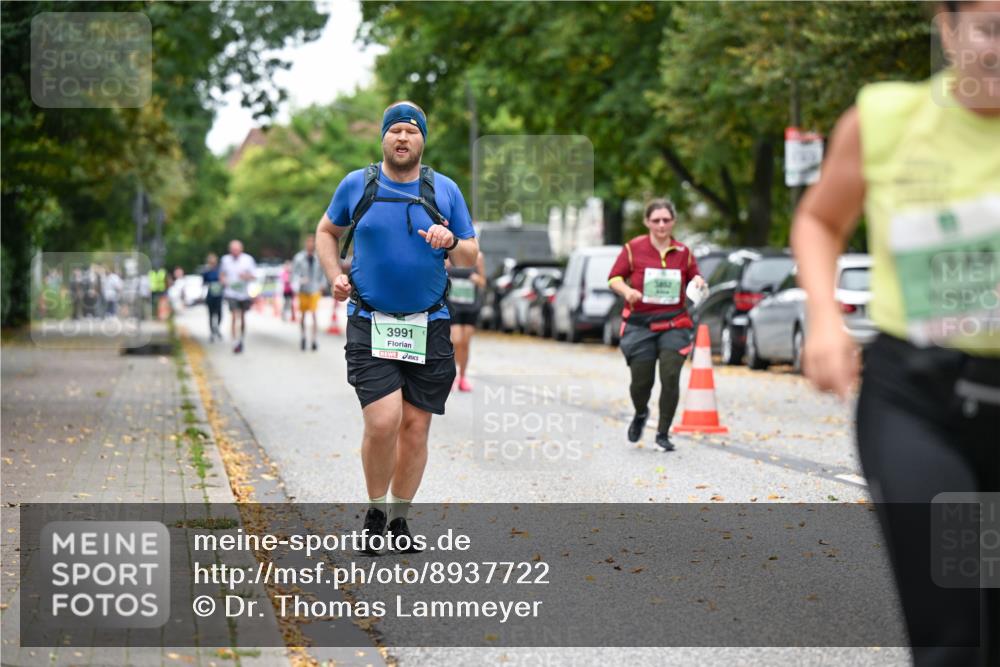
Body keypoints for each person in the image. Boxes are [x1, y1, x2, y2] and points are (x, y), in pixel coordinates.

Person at [791, 4, 999, 664]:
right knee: (954, 624)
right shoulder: (887, 121)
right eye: (992, 29)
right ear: (948, 28)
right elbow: (821, 220)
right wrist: (826, 319)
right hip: (919, 402)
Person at [316, 100, 478, 553]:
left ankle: (400, 518)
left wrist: (451, 241)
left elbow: (470, 254)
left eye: (411, 131)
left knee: (415, 427)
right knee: (384, 420)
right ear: (383, 138)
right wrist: (334, 275)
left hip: (431, 323)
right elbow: (326, 232)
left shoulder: (443, 190)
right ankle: (374, 509)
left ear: (423, 140)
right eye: (395, 131)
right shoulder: (357, 185)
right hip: (370, 320)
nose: (402, 138)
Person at [607, 199, 706, 451]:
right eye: (656, 220)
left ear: (673, 222)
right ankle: (641, 412)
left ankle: (663, 433)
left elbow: (694, 276)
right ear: (647, 222)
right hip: (639, 324)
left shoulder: (683, 252)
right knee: (641, 382)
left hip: (674, 323)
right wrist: (628, 291)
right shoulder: (633, 248)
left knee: (670, 375)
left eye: (666, 220)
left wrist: (699, 282)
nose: (661, 225)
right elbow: (614, 278)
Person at [445, 251, 486, 391]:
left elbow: (483, 282)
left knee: (465, 343)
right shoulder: (450, 255)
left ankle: (462, 377)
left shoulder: (478, 257)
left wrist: (477, 279)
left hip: (470, 307)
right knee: (456, 340)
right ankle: (453, 375)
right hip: (454, 306)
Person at [220, 240, 257, 354]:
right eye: (233, 249)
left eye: (237, 249)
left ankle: (241, 338)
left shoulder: (248, 260)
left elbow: (254, 276)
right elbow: (222, 274)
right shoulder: (225, 260)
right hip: (231, 293)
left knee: (242, 318)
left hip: (244, 293)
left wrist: (246, 276)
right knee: (234, 316)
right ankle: (234, 341)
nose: (235, 252)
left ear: (241, 249)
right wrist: (223, 281)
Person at [292, 233, 327, 351]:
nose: (311, 244)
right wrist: (299, 281)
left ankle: (313, 339)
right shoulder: (299, 258)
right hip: (303, 289)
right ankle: (303, 337)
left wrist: (322, 285)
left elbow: (323, 273)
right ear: (306, 244)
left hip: (315, 289)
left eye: (313, 242)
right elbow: (294, 274)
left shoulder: (319, 258)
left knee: (314, 314)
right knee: (302, 315)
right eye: (309, 242)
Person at [202, 253, 223, 342]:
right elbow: (203, 283)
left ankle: (216, 328)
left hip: (219, 295)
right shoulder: (206, 272)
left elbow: (223, 281)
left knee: (219, 314)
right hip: (210, 295)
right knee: (211, 314)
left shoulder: (220, 270)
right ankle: (212, 332)